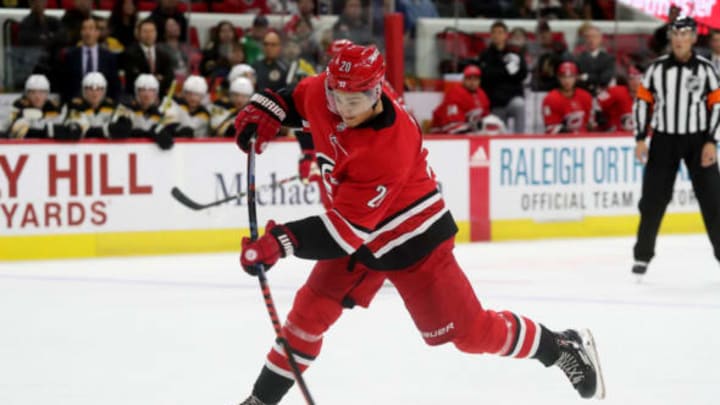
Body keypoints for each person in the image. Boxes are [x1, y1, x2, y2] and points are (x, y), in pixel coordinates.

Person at [232, 44, 605, 405]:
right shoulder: (327, 91)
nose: (343, 109)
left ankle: (560, 347)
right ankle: (259, 401)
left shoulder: (386, 146)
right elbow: (296, 99)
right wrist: (268, 106)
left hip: (412, 240)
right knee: (306, 316)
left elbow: (343, 233)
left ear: (377, 93)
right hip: (359, 235)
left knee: (472, 334)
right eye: (337, 98)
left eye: (355, 101)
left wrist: (281, 241)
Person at [631, 16, 720, 276]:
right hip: (664, 140)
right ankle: (642, 256)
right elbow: (642, 102)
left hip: (698, 140)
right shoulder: (656, 69)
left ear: (693, 38)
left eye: (685, 34)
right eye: (676, 34)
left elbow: (716, 105)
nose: (680, 39)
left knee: (714, 200)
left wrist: (711, 141)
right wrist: (639, 137)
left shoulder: (706, 69)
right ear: (670, 37)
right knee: (652, 200)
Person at [478, 20, 528, 133]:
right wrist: (506, 71)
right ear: (491, 35)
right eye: (494, 32)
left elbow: (522, 74)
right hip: (495, 101)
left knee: (520, 104)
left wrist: (509, 71)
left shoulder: (515, 53)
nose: (497, 35)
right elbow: (486, 77)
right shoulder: (485, 55)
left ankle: (520, 139)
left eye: (500, 32)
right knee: (499, 132)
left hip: (512, 97)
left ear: (506, 35)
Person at [61, 17, 120, 103]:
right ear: (81, 32)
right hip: (76, 103)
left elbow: (114, 83)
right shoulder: (71, 55)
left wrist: (111, 100)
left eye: (91, 29)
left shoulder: (109, 56)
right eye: (84, 29)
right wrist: (70, 100)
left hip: (103, 103)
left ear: (97, 32)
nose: (87, 32)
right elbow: (65, 83)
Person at [6, 74, 81, 140]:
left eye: (41, 92)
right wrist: (50, 131)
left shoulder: (55, 109)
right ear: (27, 94)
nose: (37, 96)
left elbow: (73, 130)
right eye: (33, 92)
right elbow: (16, 132)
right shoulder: (18, 108)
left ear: (47, 94)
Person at [116, 73, 178, 150]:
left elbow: (169, 142)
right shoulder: (125, 109)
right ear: (136, 92)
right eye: (142, 90)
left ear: (156, 93)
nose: (146, 94)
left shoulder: (163, 113)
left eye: (151, 90)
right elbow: (116, 133)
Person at [65, 72, 131, 139]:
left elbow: (124, 128)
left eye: (99, 89)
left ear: (104, 90)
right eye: (90, 89)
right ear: (83, 90)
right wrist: (108, 129)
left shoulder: (114, 107)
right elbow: (78, 131)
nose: (95, 93)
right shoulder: (75, 107)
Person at [430, 64, 491, 134]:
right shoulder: (455, 93)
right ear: (463, 80)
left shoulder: (481, 94)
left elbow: (486, 118)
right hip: (442, 134)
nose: (472, 82)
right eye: (469, 79)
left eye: (475, 79)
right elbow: (453, 126)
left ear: (480, 81)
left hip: (467, 130)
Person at [122, 18, 174, 97]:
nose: (149, 34)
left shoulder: (164, 54)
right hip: (137, 97)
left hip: (160, 96)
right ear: (139, 34)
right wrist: (157, 78)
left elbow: (169, 77)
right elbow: (134, 79)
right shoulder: (130, 53)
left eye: (152, 31)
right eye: (145, 31)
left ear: (156, 33)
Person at [541, 61, 593, 134]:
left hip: (583, 140)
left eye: (571, 76)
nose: (567, 81)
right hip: (561, 141)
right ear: (558, 78)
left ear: (576, 77)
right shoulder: (550, 99)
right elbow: (551, 128)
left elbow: (590, 123)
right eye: (563, 77)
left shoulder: (585, 96)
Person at [575, 25, 615, 95]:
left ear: (600, 39)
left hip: (602, 95)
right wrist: (596, 77)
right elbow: (576, 79)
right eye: (588, 37)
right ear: (584, 39)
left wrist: (585, 77)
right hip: (583, 94)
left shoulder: (608, 58)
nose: (591, 40)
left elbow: (604, 79)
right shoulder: (578, 58)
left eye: (594, 37)